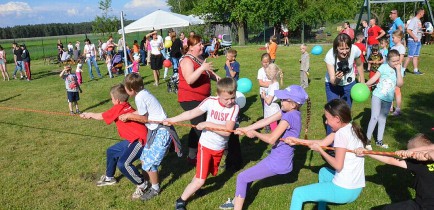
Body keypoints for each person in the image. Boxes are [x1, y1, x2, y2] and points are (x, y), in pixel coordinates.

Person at [219, 85, 310, 210]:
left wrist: (255, 133)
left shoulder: (289, 116)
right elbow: (266, 121)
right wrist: (245, 129)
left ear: (293, 104)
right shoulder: (289, 112)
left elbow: (272, 139)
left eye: (284, 99)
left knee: (242, 177)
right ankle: (235, 201)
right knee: (248, 177)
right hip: (276, 157)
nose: (280, 101)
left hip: (278, 162)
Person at [169, 78, 239, 210]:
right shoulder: (210, 101)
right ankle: (181, 200)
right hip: (206, 145)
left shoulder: (234, 108)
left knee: (203, 175)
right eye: (226, 99)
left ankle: (196, 186)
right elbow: (191, 113)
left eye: (233, 97)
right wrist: (171, 120)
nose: (230, 102)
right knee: (200, 179)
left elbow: (227, 131)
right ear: (218, 94)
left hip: (219, 148)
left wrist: (207, 124)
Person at [285, 98, 366, 210]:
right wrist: (297, 141)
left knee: (298, 193)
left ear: (337, 118)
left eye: (327, 119)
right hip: (356, 189)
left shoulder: (341, 134)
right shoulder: (350, 127)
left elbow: (338, 165)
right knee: (324, 172)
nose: (326, 122)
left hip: (344, 190)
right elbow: (322, 143)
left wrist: (321, 151)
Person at [79, 84, 149, 199]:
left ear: (116, 100)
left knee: (124, 164)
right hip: (132, 139)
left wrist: (89, 114)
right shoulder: (125, 105)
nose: (111, 100)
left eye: (111, 98)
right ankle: (109, 178)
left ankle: (142, 184)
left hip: (140, 141)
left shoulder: (118, 108)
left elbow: (102, 116)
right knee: (112, 151)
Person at [118, 73, 181, 201]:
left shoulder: (139, 97)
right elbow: (143, 112)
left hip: (162, 131)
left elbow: (144, 118)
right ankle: (147, 182)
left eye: (125, 88)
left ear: (131, 90)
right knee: (144, 157)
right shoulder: (143, 92)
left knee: (150, 162)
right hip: (154, 130)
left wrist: (129, 116)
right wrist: (128, 114)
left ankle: (155, 188)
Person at [355, 133, 434, 209]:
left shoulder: (417, 163)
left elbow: (390, 160)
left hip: (423, 206)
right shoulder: (420, 162)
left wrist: (367, 152)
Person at [177, 34, 221, 165]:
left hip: (202, 98)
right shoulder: (186, 60)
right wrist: (202, 68)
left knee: (197, 125)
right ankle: (205, 157)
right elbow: (190, 79)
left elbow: (208, 73)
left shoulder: (200, 58)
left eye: (202, 43)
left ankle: (192, 155)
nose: (202, 46)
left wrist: (219, 79)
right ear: (191, 47)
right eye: (199, 44)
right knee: (201, 128)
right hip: (190, 99)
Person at [324, 33, 365, 135]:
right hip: (332, 85)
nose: (345, 52)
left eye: (347, 48)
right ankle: (331, 145)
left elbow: (359, 64)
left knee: (345, 113)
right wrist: (338, 78)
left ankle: (344, 138)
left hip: (349, 84)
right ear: (336, 48)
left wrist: (362, 81)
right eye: (341, 49)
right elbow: (333, 82)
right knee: (333, 113)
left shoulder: (355, 50)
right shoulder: (330, 56)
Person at [365, 49, 404, 150]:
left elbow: (399, 84)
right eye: (394, 61)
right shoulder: (383, 67)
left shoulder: (400, 69)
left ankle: (379, 141)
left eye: (398, 60)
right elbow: (375, 78)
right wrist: (366, 84)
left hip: (388, 99)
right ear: (388, 60)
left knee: (382, 119)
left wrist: (399, 71)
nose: (396, 63)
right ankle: (367, 140)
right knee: (374, 117)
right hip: (377, 96)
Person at [260, 63, 282, 132]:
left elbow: (269, 101)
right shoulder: (273, 83)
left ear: (271, 75)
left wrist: (264, 96)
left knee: (274, 127)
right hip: (270, 108)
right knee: (272, 124)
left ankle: (276, 140)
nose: (266, 76)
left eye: (267, 75)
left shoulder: (274, 86)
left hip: (272, 109)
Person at [403, 8, 425, 75]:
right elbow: (408, 30)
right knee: (410, 56)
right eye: (423, 12)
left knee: (416, 56)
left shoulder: (418, 21)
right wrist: (414, 37)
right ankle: (402, 70)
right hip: (413, 41)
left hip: (418, 41)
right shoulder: (414, 20)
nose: (424, 14)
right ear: (420, 13)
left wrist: (423, 32)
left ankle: (415, 70)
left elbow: (416, 30)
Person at [390, 30, 406, 116]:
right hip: (391, 71)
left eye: (393, 37)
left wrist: (393, 66)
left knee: (397, 90)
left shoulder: (401, 48)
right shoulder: (393, 47)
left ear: (399, 38)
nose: (392, 39)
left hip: (398, 72)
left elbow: (400, 60)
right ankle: (391, 106)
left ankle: (398, 108)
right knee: (391, 89)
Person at [257, 53, 272, 118]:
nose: (265, 63)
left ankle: (272, 120)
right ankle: (266, 123)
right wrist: (269, 84)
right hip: (263, 93)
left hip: (271, 93)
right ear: (261, 62)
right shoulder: (260, 71)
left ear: (270, 61)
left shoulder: (272, 70)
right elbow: (260, 83)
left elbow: (274, 82)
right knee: (265, 107)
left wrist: (266, 83)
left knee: (271, 107)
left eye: (267, 62)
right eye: (264, 62)